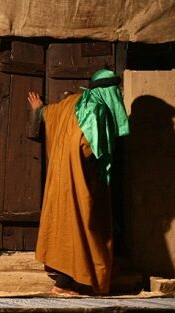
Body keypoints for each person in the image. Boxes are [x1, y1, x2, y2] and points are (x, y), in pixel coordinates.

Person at [27, 69, 130, 296]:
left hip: (61, 177)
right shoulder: (98, 109)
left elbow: (47, 114)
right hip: (83, 177)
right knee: (85, 224)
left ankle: (92, 274)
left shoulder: (71, 101)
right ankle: (63, 284)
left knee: (69, 223)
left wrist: (38, 109)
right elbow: (92, 147)